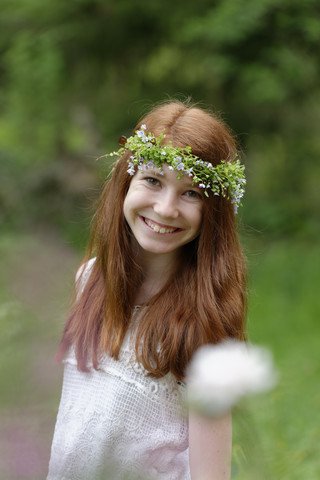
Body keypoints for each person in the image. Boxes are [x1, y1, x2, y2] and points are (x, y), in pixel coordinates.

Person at [47, 100, 247, 480]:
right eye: (153, 181)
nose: (166, 208)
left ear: (214, 212)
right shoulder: (89, 279)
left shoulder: (205, 330)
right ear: (126, 182)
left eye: (192, 193)